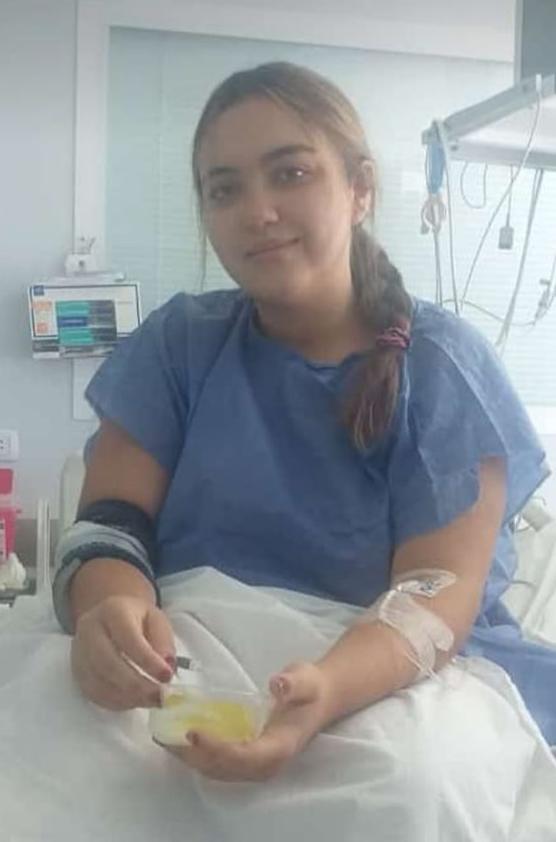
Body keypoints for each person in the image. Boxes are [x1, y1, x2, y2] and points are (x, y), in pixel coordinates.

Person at [54, 61, 554, 784]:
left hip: (383, 670)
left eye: (290, 174)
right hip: (185, 658)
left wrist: (325, 692)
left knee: (408, 783)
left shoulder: (443, 368)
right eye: (224, 189)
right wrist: (110, 612)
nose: (257, 211)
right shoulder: (179, 345)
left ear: (360, 189)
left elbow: (433, 595)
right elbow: (109, 526)